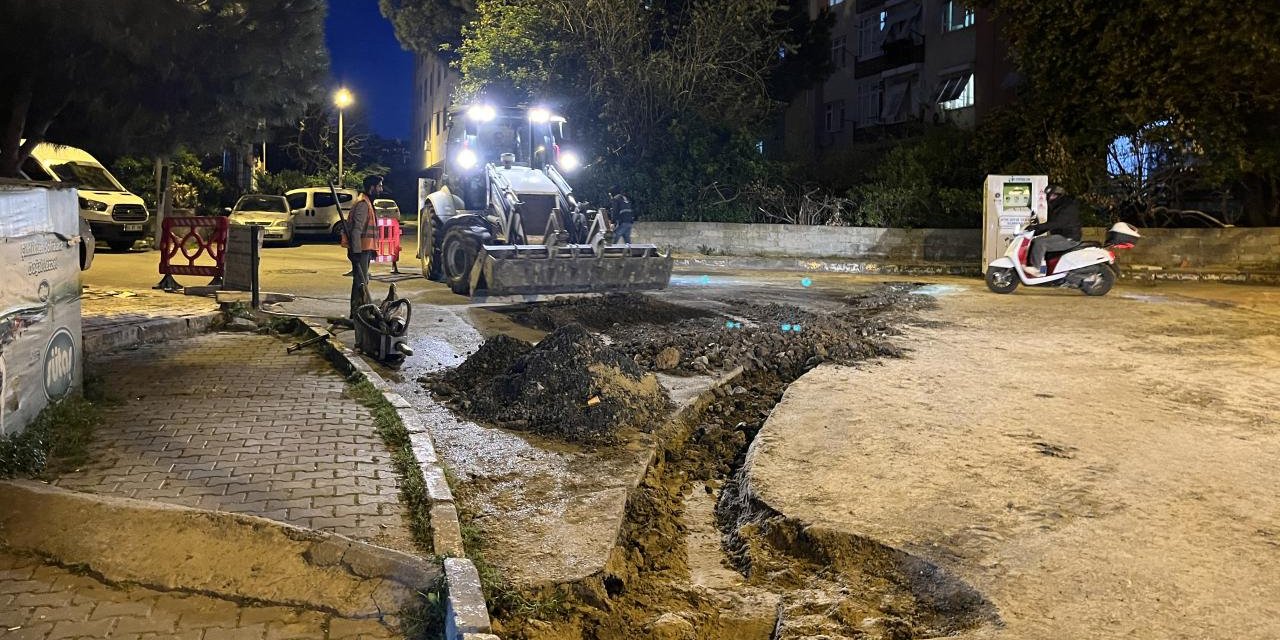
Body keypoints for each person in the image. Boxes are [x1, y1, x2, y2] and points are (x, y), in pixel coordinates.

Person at [345, 175, 383, 318]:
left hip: (364, 250)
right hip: (360, 251)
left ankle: (359, 312)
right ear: (371, 187)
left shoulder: (367, 202)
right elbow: (356, 230)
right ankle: (357, 313)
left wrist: (372, 249)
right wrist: (355, 252)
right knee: (360, 282)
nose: (381, 189)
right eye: (379, 186)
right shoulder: (362, 204)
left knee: (362, 280)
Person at [1026, 184, 1082, 277]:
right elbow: (1050, 225)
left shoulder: (1067, 207)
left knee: (1040, 243)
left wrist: (1037, 227)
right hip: (1062, 236)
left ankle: (1035, 268)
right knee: (1036, 243)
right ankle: (1049, 275)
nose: (1050, 198)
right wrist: (1034, 232)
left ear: (1060, 196)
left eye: (1053, 195)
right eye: (1049, 196)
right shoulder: (1057, 208)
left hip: (1068, 238)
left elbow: (1057, 223)